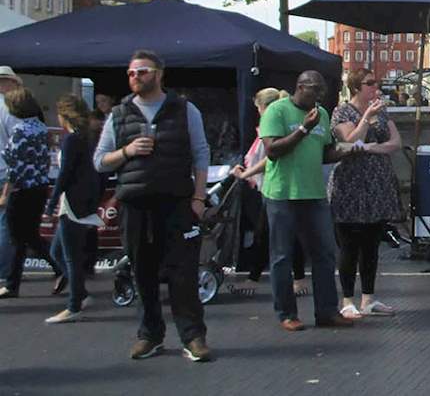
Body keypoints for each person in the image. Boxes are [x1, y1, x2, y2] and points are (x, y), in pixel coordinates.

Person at [93, 50, 212, 362]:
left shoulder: (184, 109)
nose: (136, 77)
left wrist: (199, 198)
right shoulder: (119, 114)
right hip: (135, 204)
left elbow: (201, 154)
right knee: (142, 273)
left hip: (177, 202)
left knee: (183, 273)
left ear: (159, 74)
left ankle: (193, 336)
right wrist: (127, 151)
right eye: (131, 73)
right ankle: (150, 335)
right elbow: (100, 161)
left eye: (142, 71)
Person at [260, 71, 361, 332]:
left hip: (314, 193)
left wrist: (344, 152)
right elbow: (272, 150)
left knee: (325, 254)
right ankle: (287, 313)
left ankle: (326, 311)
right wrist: (303, 129)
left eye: (322, 91)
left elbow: (323, 151)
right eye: (315, 89)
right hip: (283, 193)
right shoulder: (277, 111)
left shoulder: (322, 114)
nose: (319, 95)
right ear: (301, 87)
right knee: (282, 256)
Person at [329, 68, 403, 319]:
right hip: (350, 185)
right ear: (356, 87)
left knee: (372, 244)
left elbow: (395, 142)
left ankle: (368, 298)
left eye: (375, 82)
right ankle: (347, 300)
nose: (375, 87)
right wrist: (365, 119)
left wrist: (371, 148)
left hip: (377, 184)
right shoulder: (342, 112)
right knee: (349, 244)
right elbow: (350, 140)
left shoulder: (381, 111)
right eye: (370, 83)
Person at [228, 88, 308, 297]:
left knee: (268, 235)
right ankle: (294, 278)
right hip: (271, 187)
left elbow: (268, 158)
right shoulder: (273, 125)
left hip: (277, 187)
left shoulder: (272, 126)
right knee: (276, 234)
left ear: (265, 107)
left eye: (258, 108)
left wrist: (246, 174)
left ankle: (259, 279)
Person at [44, 95, 104, 323]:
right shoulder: (86, 138)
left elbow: (65, 174)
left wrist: (52, 202)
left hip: (72, 204)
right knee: (57, 252)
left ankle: (74, 305)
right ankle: (80, 294)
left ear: (64, 115)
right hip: (80, 201)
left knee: (70, 257)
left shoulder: (72, 140)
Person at [0, 88, 60, 299]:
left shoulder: (20, 131)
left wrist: (5, 193)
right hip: (39, 187)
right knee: (30, 236)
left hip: (22, 189)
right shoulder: (42, 128)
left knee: (17, 237)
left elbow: (14, 167)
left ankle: (12, 284)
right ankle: (60, 268)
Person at [0, 66, 25, 289]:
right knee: (6, 224)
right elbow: (18, 145)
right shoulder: (10, 110)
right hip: (6, 172)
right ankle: (4, 270)